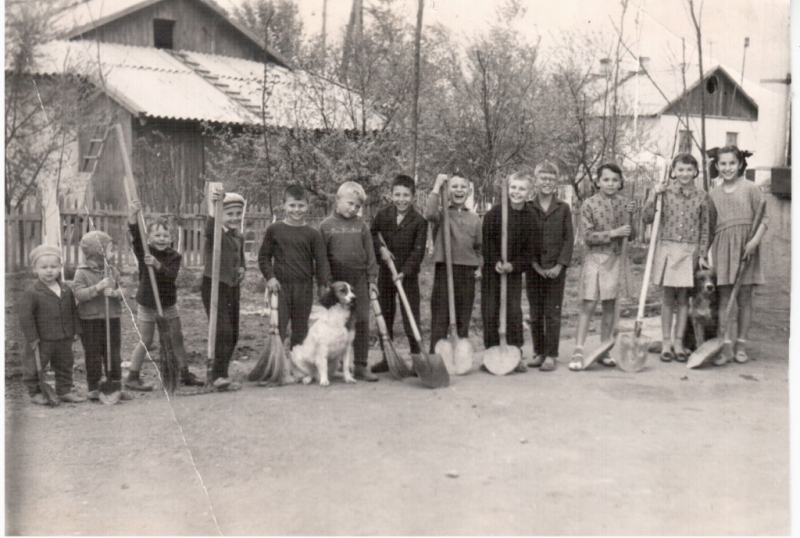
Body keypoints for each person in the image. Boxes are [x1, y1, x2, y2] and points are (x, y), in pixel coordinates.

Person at [124, 200, 204, 391]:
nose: (161, 239)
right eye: (157, 235)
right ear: (149, 238)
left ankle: (184, 373)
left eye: (165, 235)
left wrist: (158, 266)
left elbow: (171, 276)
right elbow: (136, 236)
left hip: (168, 304)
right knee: (147, 339)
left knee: (176, 337)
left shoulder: (174, 256)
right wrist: (132, 217)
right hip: (147, 303)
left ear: (171, 238)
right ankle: (132, 376)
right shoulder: (145, 251)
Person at [641, 154, 709, 362]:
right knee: (668, 298)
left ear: (695, 171)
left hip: (690, 251)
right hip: (668, 249)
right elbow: (646, 218)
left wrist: (703, 254)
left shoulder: (702, 196)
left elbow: (705, 227)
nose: (685, 174)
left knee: (683, 300)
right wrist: (653, 195)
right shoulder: (664, 193)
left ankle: (679, 341)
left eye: (689, 170)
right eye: (680, 170)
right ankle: (666, 342)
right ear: (673, 172)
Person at [569, 163, 636, 371]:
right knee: (588, 304)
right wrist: (614, 233)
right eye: (606, 180)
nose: (610, 184)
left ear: (621, 183)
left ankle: (604, 348)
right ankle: (579, 349)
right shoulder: (588, 204)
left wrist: (630, 221)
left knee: (610, 306)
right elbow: (588, 236)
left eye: (615, 180)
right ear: (597, 182)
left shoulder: (625, 204)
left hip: (615, 259)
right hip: (595, 259)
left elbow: (631, 236)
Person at [707, 145, 768, 365]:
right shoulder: (713, 194)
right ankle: (726, 347)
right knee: (725, 299)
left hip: (746, 248)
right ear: (717, 166)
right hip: (723, 248)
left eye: (732, 163)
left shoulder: (751, 189)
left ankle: (741, 345)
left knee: (743, 299)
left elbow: (764, 219)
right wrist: (707, 254)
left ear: (740, 164)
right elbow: (710, 226)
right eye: (722, 164)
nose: (727, 168)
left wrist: (753, 242)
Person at [318, 181, 380, 381]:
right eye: (350, 203)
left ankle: (360, 365)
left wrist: (372, 279)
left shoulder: (361, 226)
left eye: (357, 206)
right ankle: (333, 363)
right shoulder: (325, 226)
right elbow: (321, 257)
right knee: (335, 321)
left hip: (359, 278)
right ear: (338, 200)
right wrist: (325, 281)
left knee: (361, 319)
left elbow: (370, 254)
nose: (353, 209)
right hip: (337, 280)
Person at [258, 184, 331, 350]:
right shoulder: (274, 230)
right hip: (280, 288)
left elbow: (321, 261)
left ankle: (298, 366)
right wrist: (270, 277)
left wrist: (322, 284)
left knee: (300, 330)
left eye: (301, 206)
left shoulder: (312, 234)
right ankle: (277, 365)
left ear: (307, 206)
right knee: (278, 328)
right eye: (292, 205)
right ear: (283, 205)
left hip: (304, 288)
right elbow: (264, 257)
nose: (296, 210)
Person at [370, 174, 427, 370]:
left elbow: (418, 252)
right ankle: (388, 357)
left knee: (411, 316)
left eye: (406, 195)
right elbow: (372, 235)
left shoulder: (419, 221)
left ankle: (417, 360)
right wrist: (381, 249)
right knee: (385, 315)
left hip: (407, 277)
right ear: (391, 195)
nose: (401, 199)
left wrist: (404, 272)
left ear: (413, 196)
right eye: (397, 194)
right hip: (386, 274)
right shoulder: (383, 215)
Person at [481, 171, 534, 372]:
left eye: (522, 188)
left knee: (513, 311)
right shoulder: (495, 213)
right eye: (513, 187)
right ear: (506, 189)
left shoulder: (530, 218)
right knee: (491, 311)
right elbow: (485, 243)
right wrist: (495, 261)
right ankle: (491, 353)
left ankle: (515, 353)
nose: (516, 192)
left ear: (529, 192)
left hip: (512, 273)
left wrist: (513, 265)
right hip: (492, 272)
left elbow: (530, 251)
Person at [18, 245, 85, 404]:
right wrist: (32, 338)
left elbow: (73, 310)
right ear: (35, 269)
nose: (49, 271)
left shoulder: (66, 289)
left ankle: (64, 390)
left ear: (60, 267)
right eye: (44, 267)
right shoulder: (32, 292)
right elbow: (25, 317)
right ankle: (35, 392)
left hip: (64, 336)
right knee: (35, 365)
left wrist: (75, 330)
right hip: (42, 339)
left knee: (65, 364)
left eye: (53, 267)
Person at [424, 174, 483, 354]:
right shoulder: (442, 215)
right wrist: (436, 186)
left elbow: (479, 248)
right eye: (454, 186)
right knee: (441, 316)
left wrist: (479, 266)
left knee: (463, 316)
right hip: (445, 269)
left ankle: (460, 356)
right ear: (447, 190)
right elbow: (429, 213)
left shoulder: (474, 218)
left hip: (467, 273)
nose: (459, 190)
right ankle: (436, 357)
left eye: (462, 187)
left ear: (469, 191)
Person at [526, 162, 574, 372]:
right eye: (543, 178)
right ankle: (538, 352)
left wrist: (560, 265)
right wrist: (534, 264)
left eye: (551, 179)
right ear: (535, 181)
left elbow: (568, 239)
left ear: (556, 183)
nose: (547, 182)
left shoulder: (563, 208)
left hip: (556, 270)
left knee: (552, 313)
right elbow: (524, 239)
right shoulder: (528, 207)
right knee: (535, 312)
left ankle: (551, 355)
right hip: (534, 269)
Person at [73, 231, 131, 400]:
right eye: (110, 249)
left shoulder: (112, 271)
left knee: (113, 354)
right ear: (99, 251)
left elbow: (125, 290)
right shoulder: (81, 273)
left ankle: (115, 386)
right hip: (90, 321)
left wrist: (115, 293)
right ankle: (94, 388)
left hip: (111, 318)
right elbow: (79, 294)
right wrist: (97, 288)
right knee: (93, 354)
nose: (113, 253)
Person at [202, 187, 247, 390]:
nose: (234, 218)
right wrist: (214, 206)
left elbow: (241, 256)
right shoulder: (215, 233)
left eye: (238, 214)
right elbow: (210, 226)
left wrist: (242, 268)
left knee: (234, 332)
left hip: (232, 287)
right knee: (222, 330)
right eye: (229, 214)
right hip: (214, 285)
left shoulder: (238, 235)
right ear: (220, 215)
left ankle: (222, 370)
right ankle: (217, 374)